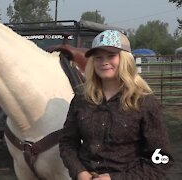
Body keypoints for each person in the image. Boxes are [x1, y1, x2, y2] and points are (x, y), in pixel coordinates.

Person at [59, 30, 173, 180]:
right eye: (98, 57)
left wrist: (117, 178)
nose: (104, 62)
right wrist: (79, 172)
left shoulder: (143, 102)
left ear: (125, 59)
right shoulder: (82, 99)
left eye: (111, 56)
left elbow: (161, 159)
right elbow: (67, 142)